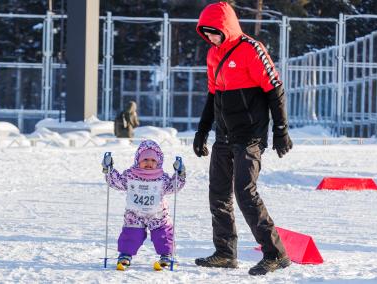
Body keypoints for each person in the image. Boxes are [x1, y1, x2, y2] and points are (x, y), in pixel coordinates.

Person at [193, 2, 293, 276]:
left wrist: (281, 129)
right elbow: (213, 95)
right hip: (224, 134)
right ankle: (225, 253)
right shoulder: (213, 55)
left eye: (215, 32)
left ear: (227, 27)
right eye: (207, 33)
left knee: (245, 192)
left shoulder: (251, 49)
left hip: (249, 135)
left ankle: (275, 253)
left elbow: (275, 89)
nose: (211, 38)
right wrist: (202, 130)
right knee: (218, 192)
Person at [102, 139, 186, 270]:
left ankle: (166, 255)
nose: (149, 163)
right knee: (131, 234)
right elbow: (117, 182)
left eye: (153, 161)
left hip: (157, 213)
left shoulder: (162, 177)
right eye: (145, 160)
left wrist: (179, 175)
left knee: (163, 234)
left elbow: (172, 187)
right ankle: (125, 254)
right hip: (135, 214)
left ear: (158, 162)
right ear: (138, 161)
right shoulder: (130, 175)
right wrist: (109, 170)